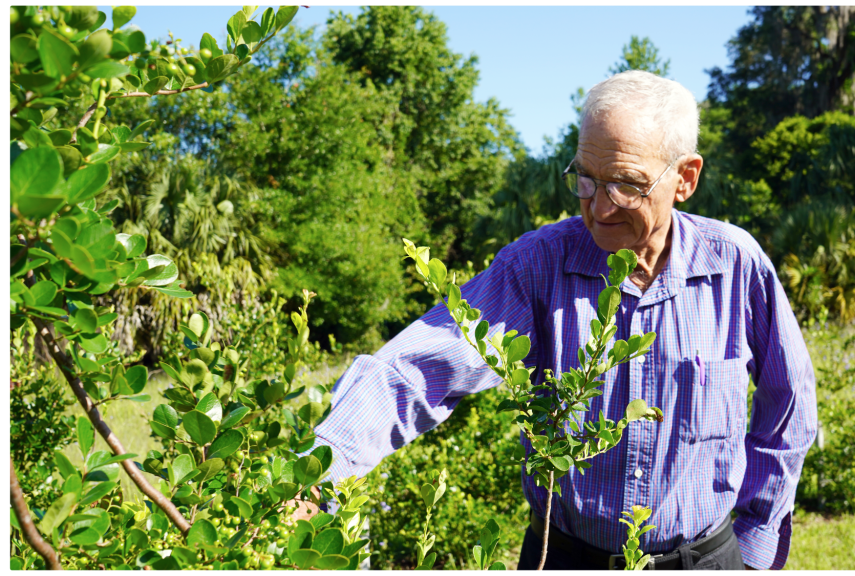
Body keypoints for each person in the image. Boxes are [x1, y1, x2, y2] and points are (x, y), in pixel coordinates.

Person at [309, 70, 817, 571]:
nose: (598, 207)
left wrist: (755, 541)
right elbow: (414, 370)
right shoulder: (536, 267)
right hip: (568, 558)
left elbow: (789, 400)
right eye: (586, 179)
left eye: (625, 185)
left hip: (707, 560)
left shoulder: (734, 263)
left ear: (684, 178)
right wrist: (313, 474)